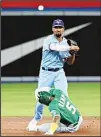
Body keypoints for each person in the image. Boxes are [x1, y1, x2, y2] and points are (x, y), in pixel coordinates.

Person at [26, 19, 80, 131]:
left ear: (63, 29)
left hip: (59, 72)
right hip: (46, 72)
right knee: (42, 97)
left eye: (60, 27)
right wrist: (70, 48)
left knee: (64, 97)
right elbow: (54, 48)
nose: (58, 29)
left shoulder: (66, 42)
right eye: (56, 27)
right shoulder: (48, 40)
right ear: (52, 29)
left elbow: (69, 62)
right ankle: (36, 119)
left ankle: (63, 120)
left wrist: (72, 54)